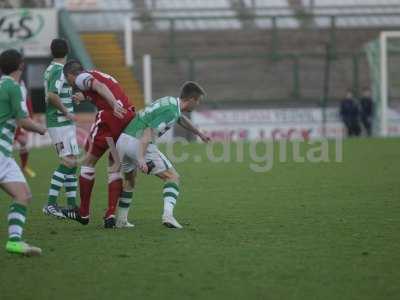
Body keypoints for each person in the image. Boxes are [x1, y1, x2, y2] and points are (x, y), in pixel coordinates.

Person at [115, 81, 210, 229]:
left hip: (123, 141)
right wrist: (140, 157)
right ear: (191, 99)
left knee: (130, 181)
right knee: (172, 177)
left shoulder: (170, 102)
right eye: (197, 101)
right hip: (138, 143)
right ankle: (168, 216)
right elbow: (149, 131)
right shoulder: (171, 111)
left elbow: (181, 118)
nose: (197, 104)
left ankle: (121, 219)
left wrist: (199, 133)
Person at [61, 60, 135, 228]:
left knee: (88, 162)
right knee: (114, 165)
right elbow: (99, 89)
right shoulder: (96, 73)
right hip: (126, 118)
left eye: (68, 79)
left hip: (110, 117)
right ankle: (110, 214)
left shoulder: (81, 77)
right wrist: (86, 97)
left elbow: (99, 86)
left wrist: (113, 104)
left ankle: (84, 212)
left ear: (71, 75)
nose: (71, 84)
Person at [0, 49, 47, 255]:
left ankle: (15, 241)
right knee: (22, 195)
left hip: (5, 155)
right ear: (21, 65)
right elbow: (22, 121)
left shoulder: (4, 85)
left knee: (24, 194)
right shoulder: (14, 87)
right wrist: (42, 129)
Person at [43, 38, 79, 218]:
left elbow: (58, 92)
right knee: (68, 162)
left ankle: (72, 206)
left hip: (63, 123)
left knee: (73, 162)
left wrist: (71, 97)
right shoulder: (58, 70)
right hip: (59, 122)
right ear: (68, 51)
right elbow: (51, 96)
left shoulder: (51, 69)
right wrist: (66, 111)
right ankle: (50, 204)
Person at [14, 79, 36, 178]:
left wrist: (30, 115)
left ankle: (23, 167)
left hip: (20, 117)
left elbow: (27, 99)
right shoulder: (5, 82)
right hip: (9, 117)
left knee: (23, 141)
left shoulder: (22, 82)